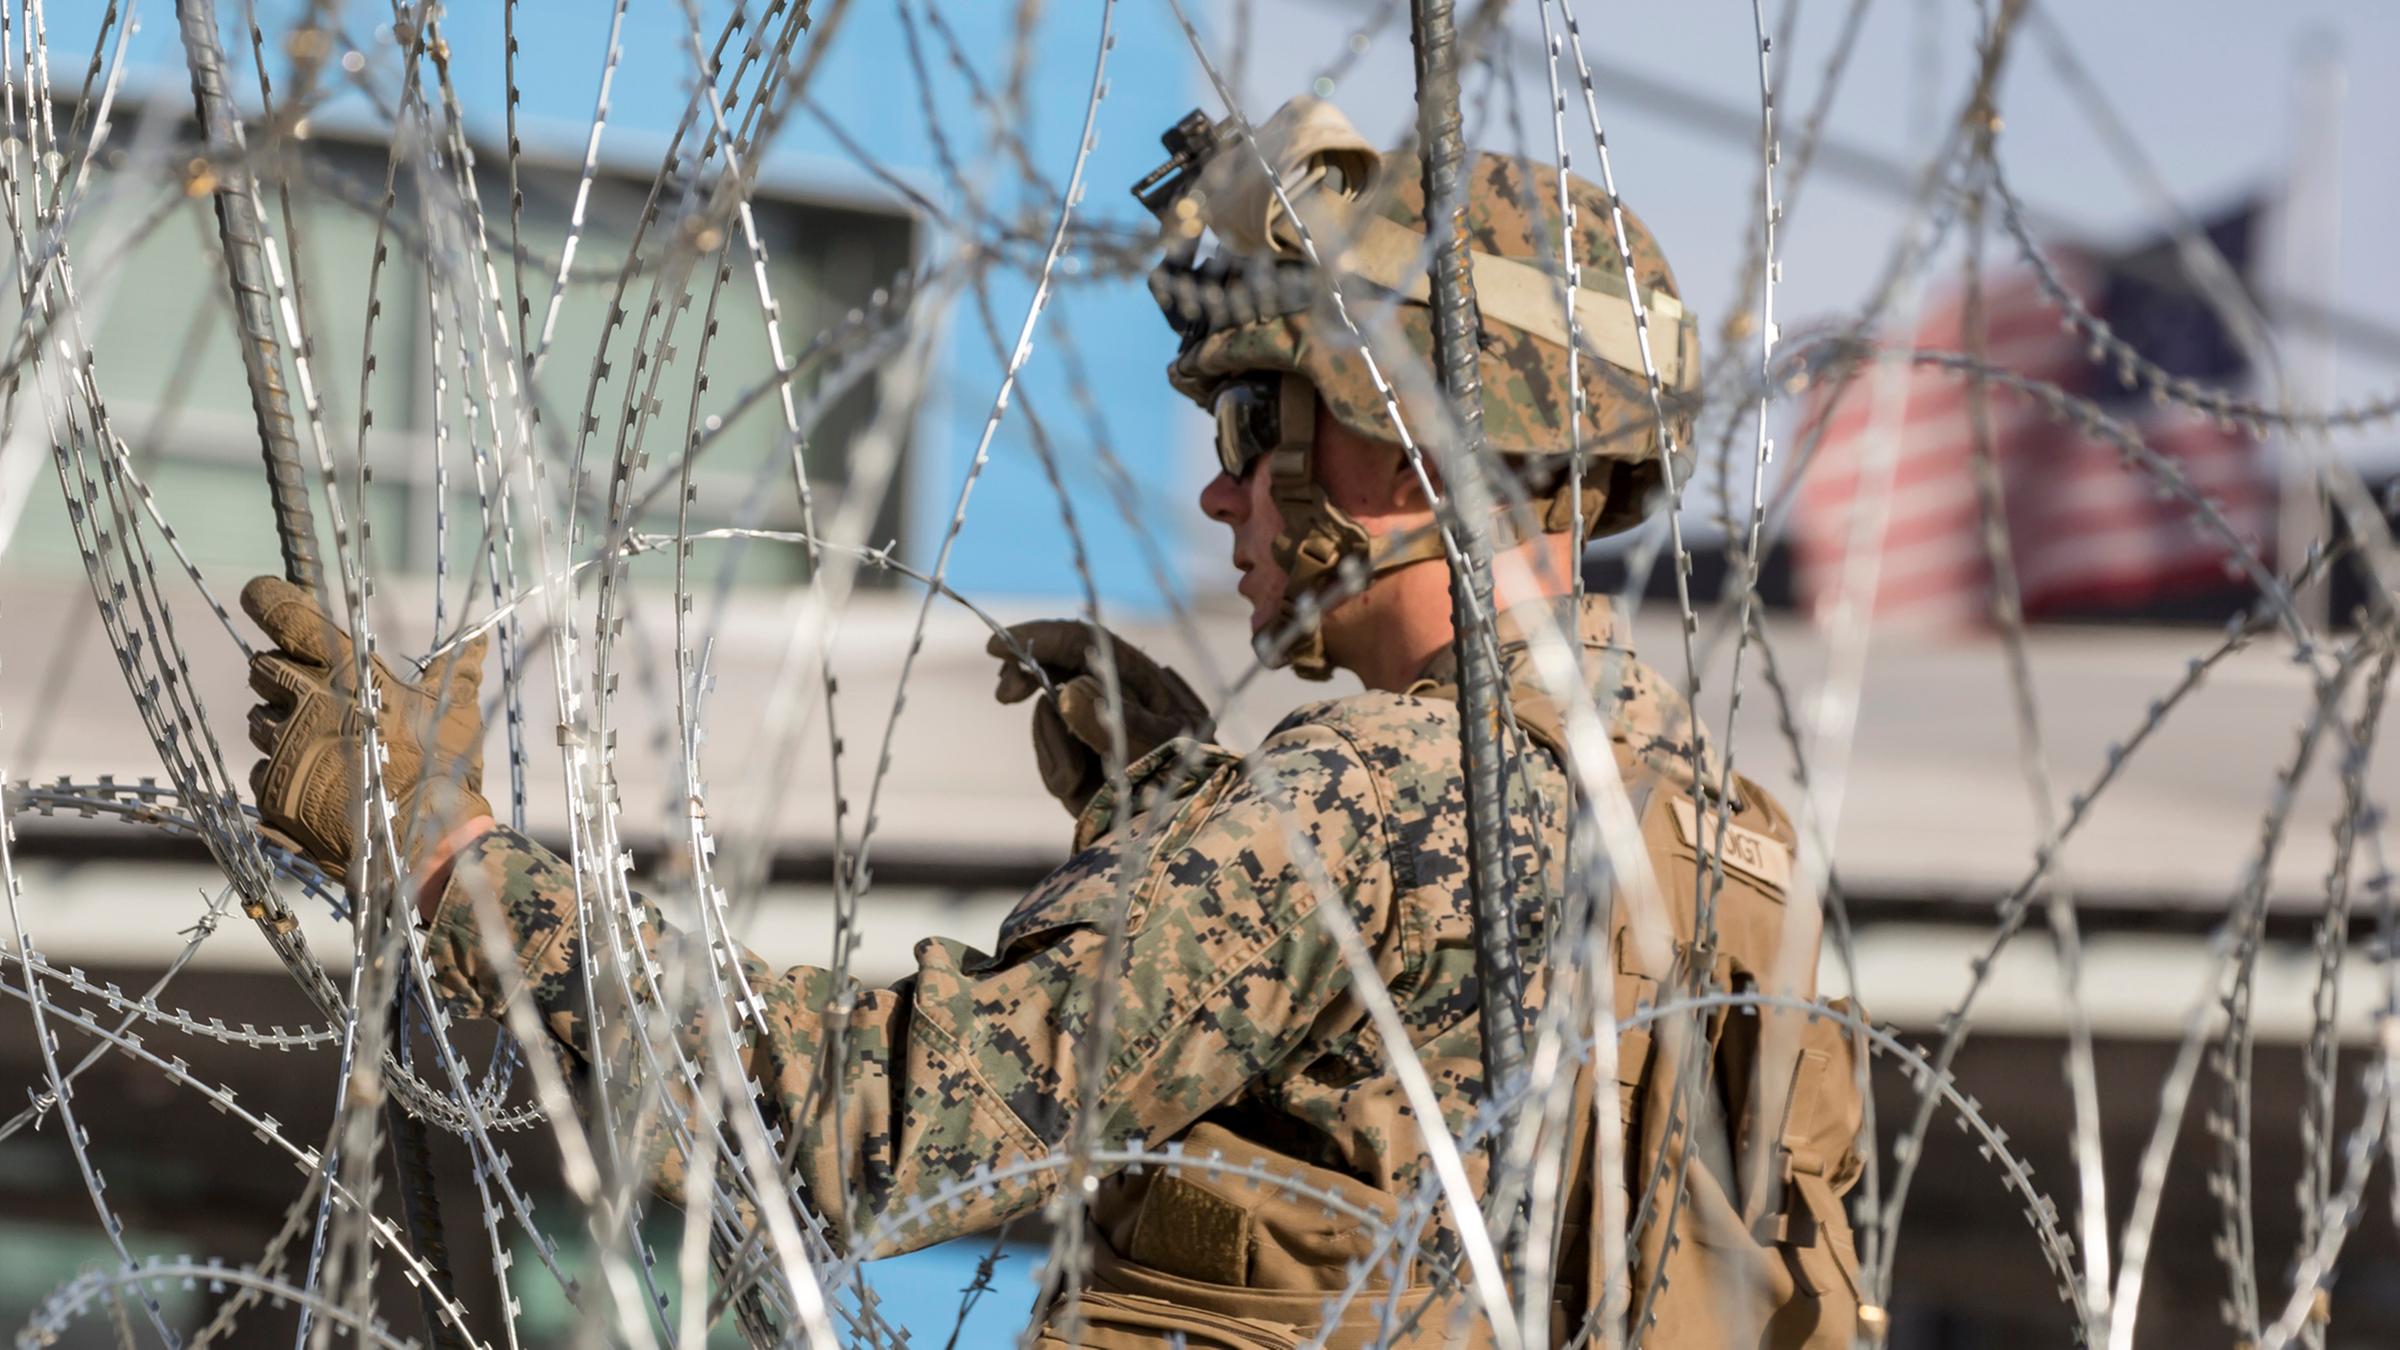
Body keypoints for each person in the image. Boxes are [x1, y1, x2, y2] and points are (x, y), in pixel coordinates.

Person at [239, 97, 1863, 1350]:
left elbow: (876, 1126)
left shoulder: (1361, 807)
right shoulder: (1724, 835)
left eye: (1259, 415)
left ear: (1414, 450)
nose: (1227, 485)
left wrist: (453, 856)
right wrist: (1173, 809)